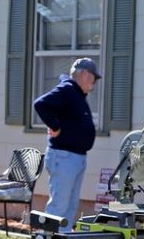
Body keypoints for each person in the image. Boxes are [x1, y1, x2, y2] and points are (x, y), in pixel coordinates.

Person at [33, 58, 100, 228]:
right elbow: (41, 104)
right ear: (84, 74)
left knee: (70, 206)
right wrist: (54, 126)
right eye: (93, 78)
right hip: (64, 157)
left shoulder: (77, 94)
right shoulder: (68, 89)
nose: (94, 83)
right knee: (59, 205)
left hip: (75, 157)